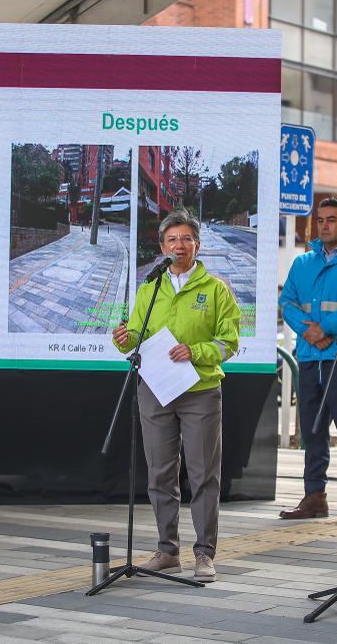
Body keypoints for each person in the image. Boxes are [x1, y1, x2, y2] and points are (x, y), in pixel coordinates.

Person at [112, 209, 240, 584]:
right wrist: (123, 339)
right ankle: (167, 551)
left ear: (196, 245)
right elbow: (136, 336)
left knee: (202, 475)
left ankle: (204, 553)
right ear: (162, 246)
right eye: (172, 240)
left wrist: (195, 351)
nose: (178, 245)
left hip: (200, 391)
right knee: (159, 473)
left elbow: (229, 342)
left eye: (186, 239)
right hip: (156, 389)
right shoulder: (150, 288)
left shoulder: (215, 289)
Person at [279, 197, 337, 524]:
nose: (324, 225)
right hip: (309, 359)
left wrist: (326, 329)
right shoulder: (302, 263)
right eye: (320, 220)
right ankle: (314, 497)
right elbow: (287, 302)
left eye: (331, 220)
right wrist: (309, 332)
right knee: (312, 433)